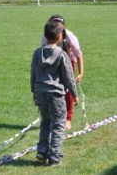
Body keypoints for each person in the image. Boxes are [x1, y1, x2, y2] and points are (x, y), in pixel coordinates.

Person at [31, 20, 79, 166]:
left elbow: (33, 74)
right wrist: (74, 94)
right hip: (56, 95)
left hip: (41, 93)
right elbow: (69, 77)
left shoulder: (37, 53)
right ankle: (55, 156)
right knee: (58, 124)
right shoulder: (62, 54)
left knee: (45, 121)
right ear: (59, 37)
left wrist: (34, 90)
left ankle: (42, 150)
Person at [42, 15, 83, 130]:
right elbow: (43, 53)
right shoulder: (46, 36)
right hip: (53, 62)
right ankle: (54, 116)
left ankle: (68, 119)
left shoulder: (70, 37)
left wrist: (81, 73)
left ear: (63, 28)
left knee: (68, 88)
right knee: (54, 88)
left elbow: (79, 55)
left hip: (69, 61)